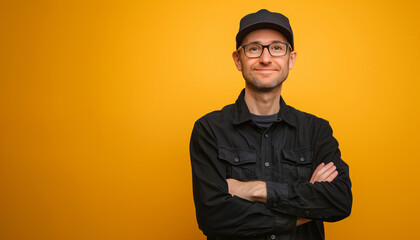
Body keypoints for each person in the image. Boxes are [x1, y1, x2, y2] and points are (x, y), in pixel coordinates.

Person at [189, 9, 352, 240]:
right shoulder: (209, 130)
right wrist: (305, 209)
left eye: (276, 48)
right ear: (238, 59)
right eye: (254, 48)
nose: (265, 58)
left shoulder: (316, 131)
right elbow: (213, 217)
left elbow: (339, 201)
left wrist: (256, 190)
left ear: (290, 58)